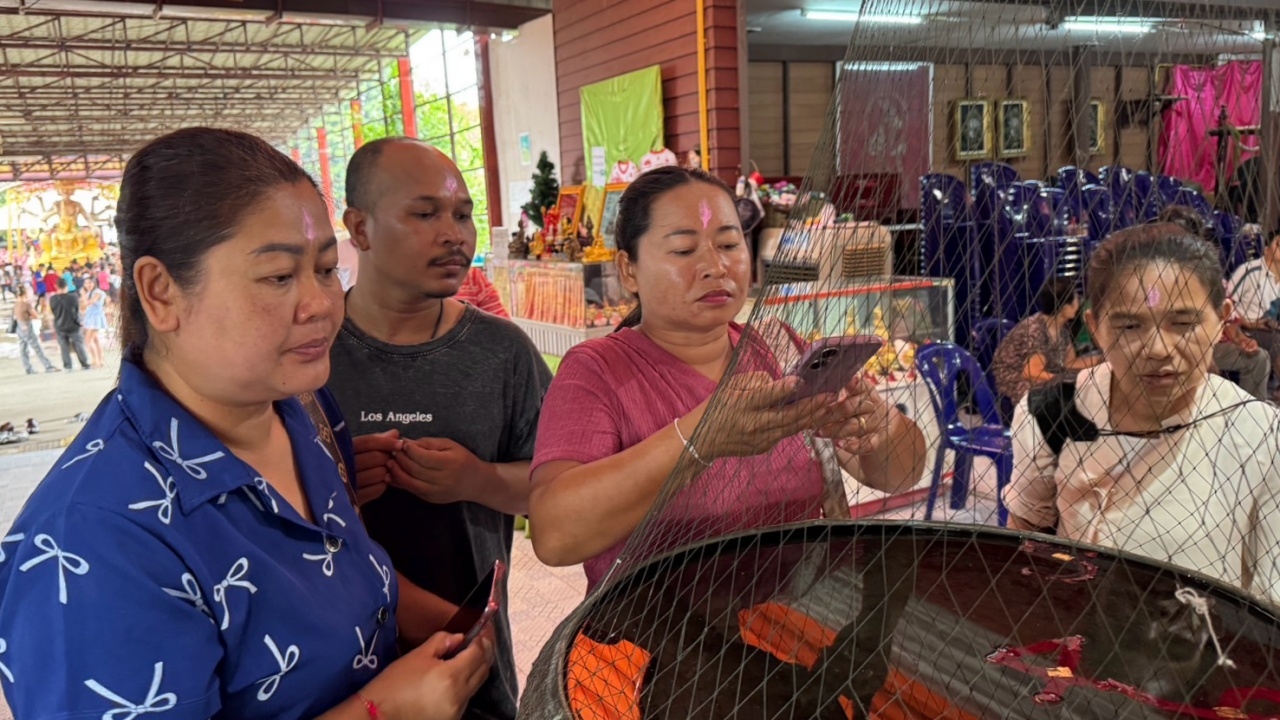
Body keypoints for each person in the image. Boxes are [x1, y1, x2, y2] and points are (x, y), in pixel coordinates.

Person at [0, 128, 494, 720]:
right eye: (279, 277)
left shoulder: (303, 412)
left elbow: (351, 578)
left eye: (327, 269)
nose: (321, 304)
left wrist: (474, 630)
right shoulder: (95, 542)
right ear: (161, 293)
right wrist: (382, 711)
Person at [527, 166, 927, 591]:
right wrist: (699, 441)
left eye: (729, 244)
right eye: (684, 250)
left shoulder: (779, 348)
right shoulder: (596, 371)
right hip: (661, 644)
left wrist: (880, 428)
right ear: (628, 270)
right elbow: (554, 536)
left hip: (799, 628)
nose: (715, 266)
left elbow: (899, 476)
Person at [330, 137, 551, 720]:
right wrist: (330, 488)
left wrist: (476, 479)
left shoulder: (502, 353)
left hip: (468, 663)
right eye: (425, 214)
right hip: (336, 678)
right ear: (360, 227)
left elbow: (564, 486)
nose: (455, 234)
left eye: (463, 214)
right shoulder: (308, 354)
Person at [1004, 223, 1280, 601]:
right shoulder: (1050, 413)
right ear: (1095, 327)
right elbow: (1026, 541)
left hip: (1204, 653)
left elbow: (1271, 599)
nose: (1158, 348)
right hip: (1081, 643)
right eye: (1130, 325)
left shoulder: (1261, 434)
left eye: (1183, 323)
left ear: (1222, 320)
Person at [990, 278, 1101, 403]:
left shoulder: (1062, 327)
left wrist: (1101, 360)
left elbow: (1069, 363)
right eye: (1076, 299)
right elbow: (1032, 373)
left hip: (1044, 377)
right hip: (1017, 382)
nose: (1079, 302)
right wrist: (1069, 383)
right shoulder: (1036, 331)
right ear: (1064, 308)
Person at [1227, 226, 1280, 392]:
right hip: (1244, 327)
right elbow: (1225, 304)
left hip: (1270, 327)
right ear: (1266, 250)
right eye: (1278, 243)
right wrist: (1249, 323)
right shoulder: (1249, 271)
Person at [11, 283, 57, 374]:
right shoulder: (26, 304)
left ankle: (28, 368)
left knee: (23, 348)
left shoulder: (16, 304)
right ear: (25, 293)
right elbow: (35, 315)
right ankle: (48, 366)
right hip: (27, 326)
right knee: (36, 347)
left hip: (19, 327)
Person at [48, 276, 90, 371]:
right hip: (73, 325)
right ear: (66, 286)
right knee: (79, 345)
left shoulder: (52, 299)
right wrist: (80, 321)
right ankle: (85, 364)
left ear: (56, 286)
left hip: (59, 325)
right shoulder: (73, 297)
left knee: (64, 347)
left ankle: (67, 366)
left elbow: (53, 312)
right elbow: (76, 311)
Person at [80, 273, 109, 368]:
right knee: (95, 340)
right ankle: (100, 360)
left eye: (90, 283)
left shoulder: (98, 292)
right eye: (86, 283)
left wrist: (83, 295)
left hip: (96, 318)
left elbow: (90, 302)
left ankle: (95, 360)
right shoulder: (89, 293)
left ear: (94, 283)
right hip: (90, 317)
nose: (88, 285)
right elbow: (84, 306)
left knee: (88, 341)